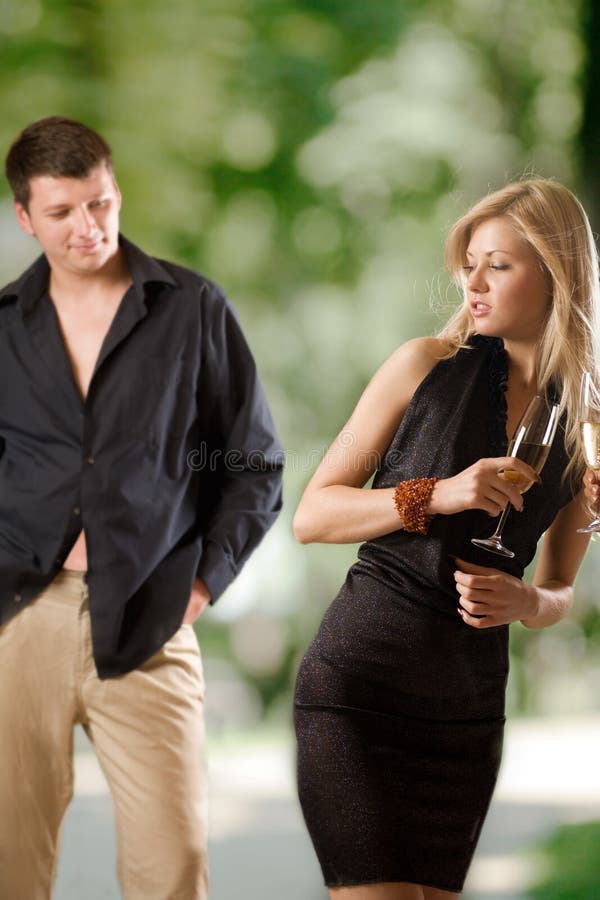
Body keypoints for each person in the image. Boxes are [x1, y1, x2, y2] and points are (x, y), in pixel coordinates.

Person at [0, 116, 283, 900]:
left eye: (100, 204)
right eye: (62, 213)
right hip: (18, 621)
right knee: (9, 869)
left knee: (174, 866)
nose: (87, 227)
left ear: (116, 191)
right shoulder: (2, 331)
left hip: (154, 615)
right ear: (26, 217)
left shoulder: (193, 310)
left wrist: (200, 585)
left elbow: (250, 463)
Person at [292, 178, 598, 900]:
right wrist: (439, 493)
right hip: (359, 691)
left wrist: (525, 600)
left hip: (466, 714)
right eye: (470, 262)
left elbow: (560, 592)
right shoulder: (422, 365)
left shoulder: (586, 431)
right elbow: (314, 515)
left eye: (499, 263)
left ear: (556, 275)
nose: (473, 280)